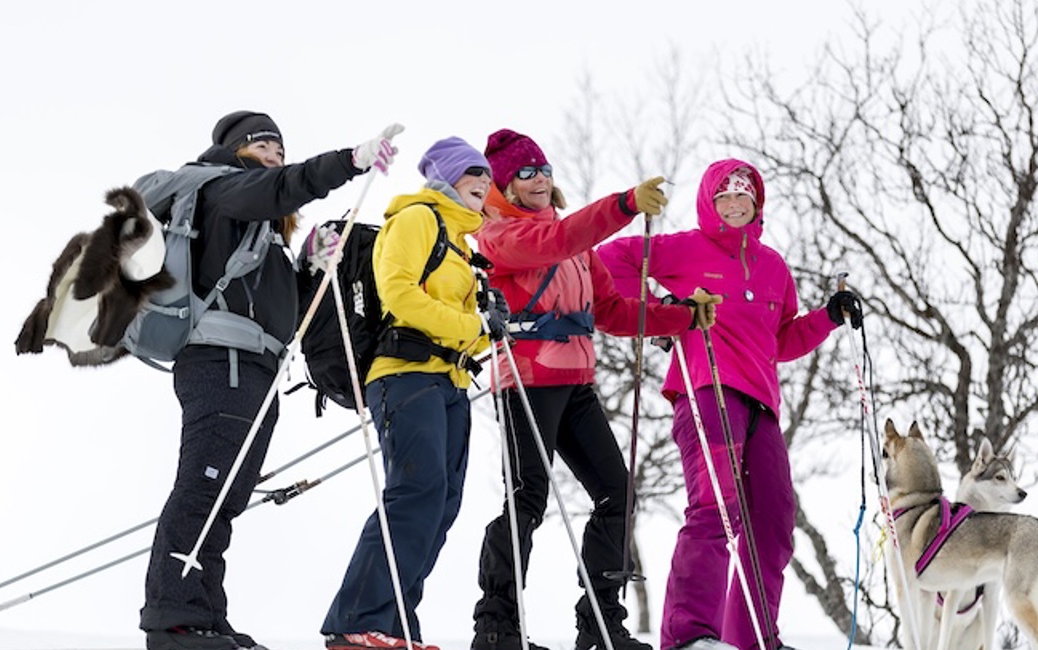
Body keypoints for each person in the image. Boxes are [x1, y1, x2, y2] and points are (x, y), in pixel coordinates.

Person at [140, 111, 402, 650]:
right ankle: (174, 621)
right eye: (264, 146)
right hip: (222, 364)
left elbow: (280, 311)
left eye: (281, 148)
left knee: (227, 496)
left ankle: (205, 616)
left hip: (254, 367)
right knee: (205, 488)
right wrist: (350, 161)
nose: (276, 155)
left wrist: (307, 268)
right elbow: (287, 186)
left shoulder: (256, 227)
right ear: (239, 150)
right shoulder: (224, 189)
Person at [469, 129, 720, 650]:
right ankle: (497, 627)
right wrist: (625, 204)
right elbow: (555, 243)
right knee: (527, 500)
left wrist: (683, 317)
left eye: (544, 170)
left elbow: (610, 311)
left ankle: (601, 625)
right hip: (527, 380)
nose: (540, 179)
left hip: (576, 385)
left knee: (617, 494)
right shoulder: (500, 235)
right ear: (504, 185)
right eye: (526, 173)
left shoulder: (572, 242)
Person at [597, 159, 861, 650]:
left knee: (775, 521)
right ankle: (689, 635)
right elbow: (610, 260)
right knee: (716, 508)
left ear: (758, 205)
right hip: (707, 390)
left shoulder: (773, 266)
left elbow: (781, 339)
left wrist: (828, 317)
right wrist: (661, 316)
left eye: (745, 196)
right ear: (709, 202)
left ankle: (754, 637)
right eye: (725, 196)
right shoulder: (685, 248)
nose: (736, 204)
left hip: (761, 404)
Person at [320, 136, 504, 650]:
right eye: (472, 173)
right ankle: (357, 618)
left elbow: (467, 326)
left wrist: (491, 324)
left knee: (441, 503)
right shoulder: (417, 218)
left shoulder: (464, 243)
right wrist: (473, 323)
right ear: (445, 176)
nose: (483, 183)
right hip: (405, 373)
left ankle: (395, 622)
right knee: (415, 494)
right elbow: (398, 290)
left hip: (450, 381)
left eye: (487, 176)